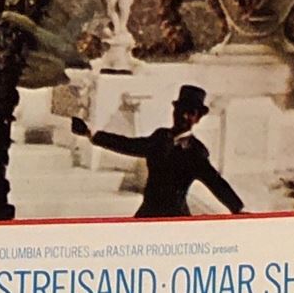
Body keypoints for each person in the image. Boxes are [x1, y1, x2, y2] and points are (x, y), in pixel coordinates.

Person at [72, 85, 244, 218]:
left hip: (175, 219)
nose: (184, 116)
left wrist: (238, 209)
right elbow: (128, 145)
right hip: (148, 213)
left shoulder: (196, 152)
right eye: (181, 110)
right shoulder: (160, 137)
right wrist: (91, 133)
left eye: (191, 113)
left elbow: (215, 182)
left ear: (197, 118)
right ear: (174, 111)